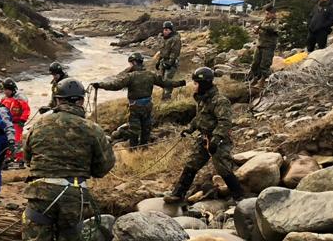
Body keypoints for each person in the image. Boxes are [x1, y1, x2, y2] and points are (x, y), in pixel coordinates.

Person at [15, 77, 116, 241]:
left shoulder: (39, 125)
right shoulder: (92, 129)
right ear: (81, 101)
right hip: (74, 196)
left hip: (40, 195)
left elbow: (27, 157)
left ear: (57, 99)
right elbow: (103, 168)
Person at [165, 67, 245, 204]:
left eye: (196, 83)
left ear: (204, 84)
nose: (193, 86)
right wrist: (189, 129)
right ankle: (178, 194)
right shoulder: (202, 99)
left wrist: (216, 139)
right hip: (203, 138)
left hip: (219, 140)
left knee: (223, 168)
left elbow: (225, 122)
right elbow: (199, 118)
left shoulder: (220, 101)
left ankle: (239, 196)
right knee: (191, 164)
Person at [92, 53, 183, 147]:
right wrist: (180, 83)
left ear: (134, 63)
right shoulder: (150, 75)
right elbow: (165, 83)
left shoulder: (131, 76)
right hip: (148, 105)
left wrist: (100, 85)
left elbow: (115, 85)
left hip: (135, 107)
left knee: (134, 130)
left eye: (130, 64)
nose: (130, 66)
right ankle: (144, 147)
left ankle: (134, 149)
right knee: (146, 128)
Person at [0, 79, 31, 164]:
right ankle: (8, 157)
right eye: (4, 89)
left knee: (17, 141)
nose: (5, 92)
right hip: (6, 123)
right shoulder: (4, 99)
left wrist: (23, 120)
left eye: (7, 90)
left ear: (12, 89)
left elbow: (26, 110)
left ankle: (19, 158)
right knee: (6, 140)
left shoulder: (20, 98)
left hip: (17, 123)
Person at [249, 8, 279, 82]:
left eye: (268, 14)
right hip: (260, 44)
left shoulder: (276, 21)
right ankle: (255, 78)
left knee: (264, 66)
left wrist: (261, 27)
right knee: (255, 64)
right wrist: (256, 30)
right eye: (265, 13)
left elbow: (272, 28)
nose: (266, 15)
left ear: (273, 14)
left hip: (268, 46)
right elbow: (259, 30)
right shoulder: (263, 21)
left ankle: (267, 81)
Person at [155, 21, 182, 100]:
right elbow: (162, 51)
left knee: (168, 81)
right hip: (163, 61)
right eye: (164, 29)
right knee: (162, 81)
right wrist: (158, 61)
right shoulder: (164, 39)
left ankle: (167, 98)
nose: (165, 31)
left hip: (172, 63)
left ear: (171, 30)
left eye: (167, 30)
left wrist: (170, 63)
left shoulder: (175, 39)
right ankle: (163, 97)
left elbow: (175, 52)